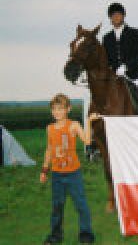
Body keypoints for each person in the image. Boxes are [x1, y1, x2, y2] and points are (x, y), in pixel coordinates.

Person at [40, 93, 99, 244]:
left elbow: (86, 140)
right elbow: (49, 149)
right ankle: (55, 236)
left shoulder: (73, 125)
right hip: (57, 175)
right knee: (57, 207)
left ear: (68, 109)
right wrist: (44, 170)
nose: (56, 112)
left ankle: (86, 234)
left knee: (81, 205)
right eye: (54, 109)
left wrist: (89, 121)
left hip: (73, 174)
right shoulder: (50, 128)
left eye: (60, 109)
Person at [103, 2, 138, 115]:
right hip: (114, 76)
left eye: (118, 14)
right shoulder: (107, 38)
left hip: (134, 75)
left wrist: (126, 67)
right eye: (113, 15)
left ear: (123, 16)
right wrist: (113, 68)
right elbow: (106, 59)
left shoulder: (134, 32)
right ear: (110, 18)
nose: (115, 17)